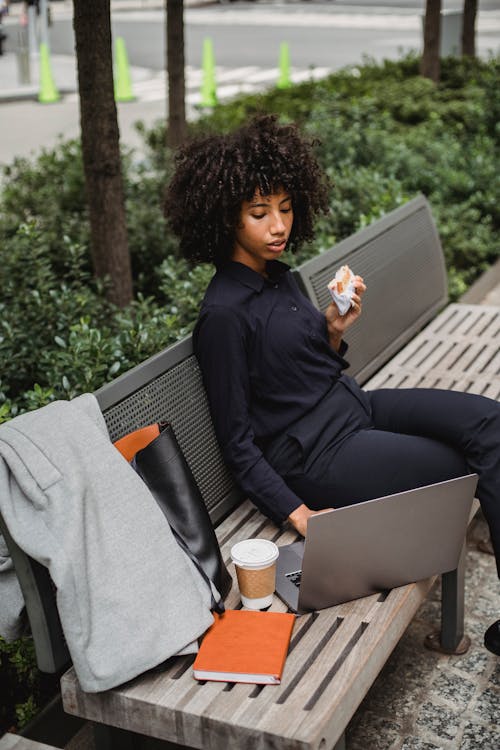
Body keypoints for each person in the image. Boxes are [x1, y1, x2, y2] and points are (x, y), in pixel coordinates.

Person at [164, 114, 500, 654]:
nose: (278, 226)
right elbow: (237, 441)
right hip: (315, 455)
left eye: (286, 208)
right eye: (259, 213)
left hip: (354, 409)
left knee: (489, 424)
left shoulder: (283, 276)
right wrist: (298, 514)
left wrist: (335, 331)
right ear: (225, 219)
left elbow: (304, 368)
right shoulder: (223, 316)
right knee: (460, 468)